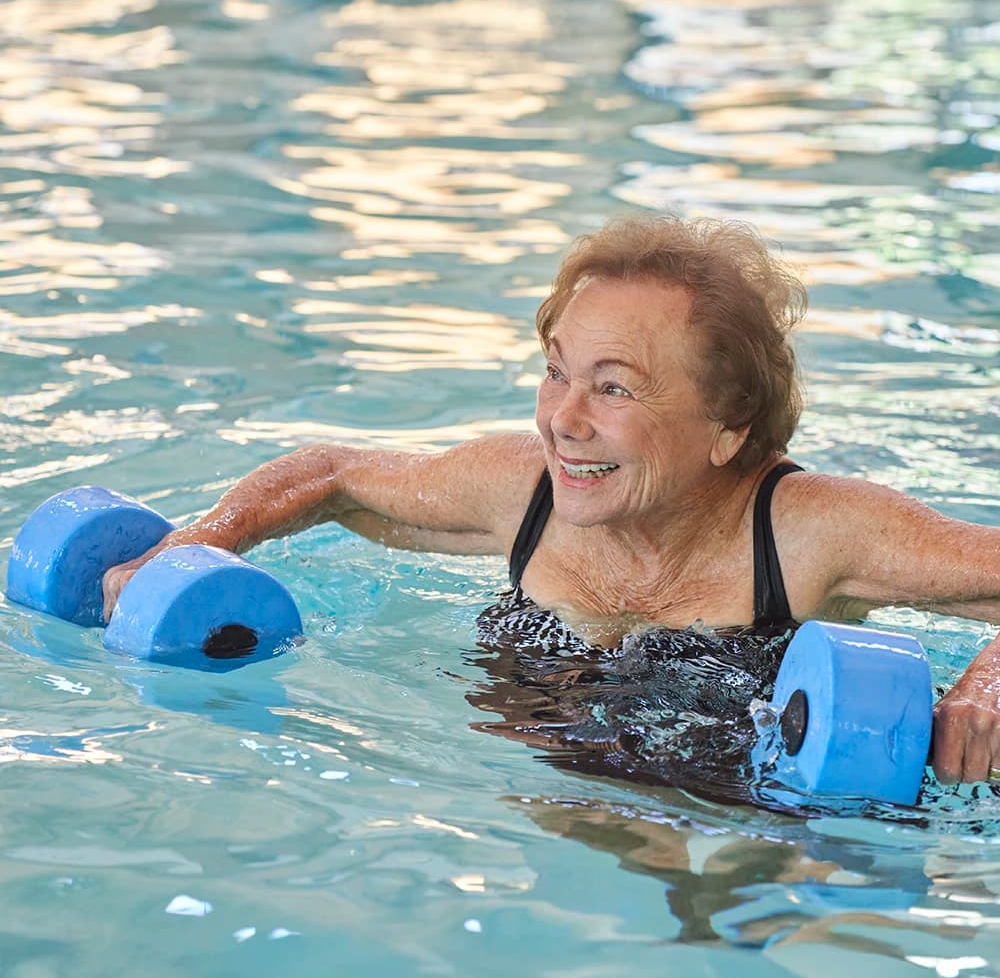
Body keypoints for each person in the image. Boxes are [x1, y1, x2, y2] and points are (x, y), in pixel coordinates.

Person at [102, 215, 1000, 785]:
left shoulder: (811, 533)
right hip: (535, 798)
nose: (562, 421)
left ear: (728, 427)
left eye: (615, 388)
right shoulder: (520, 491)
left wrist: (985, 687)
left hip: (757, 826)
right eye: (557, 372)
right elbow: (331, 473)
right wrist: (196, 543)